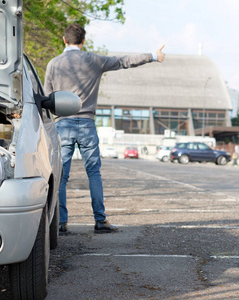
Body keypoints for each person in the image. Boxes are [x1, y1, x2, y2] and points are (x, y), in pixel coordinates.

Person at [44, 23, 165, 234]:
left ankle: (61, 222)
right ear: (83, 41)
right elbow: (124, 62)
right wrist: (153, 56)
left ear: (64, 40)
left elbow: (47, 98)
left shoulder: (54, 64)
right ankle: (100, 221)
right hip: (87, 125)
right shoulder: (94, 60)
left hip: (62, 125)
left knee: (61, 175)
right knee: (93, 173)